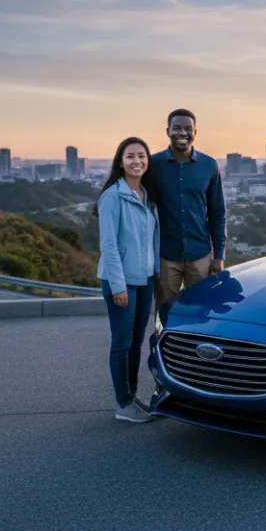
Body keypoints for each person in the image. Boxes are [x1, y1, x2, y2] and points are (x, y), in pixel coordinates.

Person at [96, 137, 160, 423]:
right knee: (122, 342)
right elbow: (108, 245)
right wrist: (119, 285)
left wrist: (156, 274)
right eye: (130, 156)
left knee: (136, 342)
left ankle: (132, 396)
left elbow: (152, 242)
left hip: (145, 279)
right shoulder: (113, 195)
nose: (137, 161)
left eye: (142, 156)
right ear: (120, 162)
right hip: (120, 281)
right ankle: (123, 404)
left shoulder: (148, 195)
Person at [150, 109, 227, 308]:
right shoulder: (153, 164)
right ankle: (162, 340)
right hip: (165, 255)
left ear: (195, 132)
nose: (182, 133)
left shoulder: (209, 165)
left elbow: (217, 213)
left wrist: (219, 255)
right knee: (164, 310)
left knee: (201, 309)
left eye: (187, 128)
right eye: (177, 128)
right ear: (168, 131)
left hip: (200, 255)